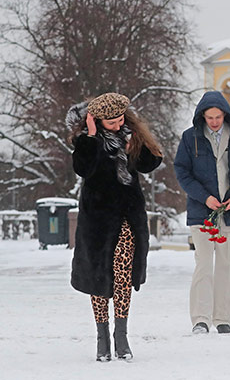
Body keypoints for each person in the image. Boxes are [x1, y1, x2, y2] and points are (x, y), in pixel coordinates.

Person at [68, 93, 163, 361]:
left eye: (121, 119)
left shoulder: (130, 135)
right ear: (98, 120)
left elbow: (151, 163)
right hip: (97, 219)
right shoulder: (87, 141)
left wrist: (138, 144)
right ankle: (102, 338)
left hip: (128, 216)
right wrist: (90, 136)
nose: (118, 124)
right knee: (99, 278)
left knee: (123, 275)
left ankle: (121, 336)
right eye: (111, 122)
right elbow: (82, 170)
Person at [174, 91, 230, 335]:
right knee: (203, 264)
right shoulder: (190, 138)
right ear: (202, 116)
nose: (213, 121)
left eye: (218, 116)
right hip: (202, 213)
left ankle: (223, 319)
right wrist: (205, 197)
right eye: (209, 117)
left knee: (227, 265)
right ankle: (200, 319)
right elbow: (182, 172)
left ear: (226, 115)